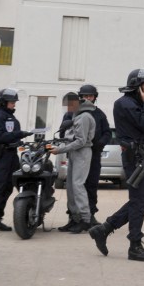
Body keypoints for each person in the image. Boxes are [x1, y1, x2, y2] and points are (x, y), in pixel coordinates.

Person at [89, 69, 144, 262]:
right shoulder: (126, 103)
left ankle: (104, 229)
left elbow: (142, 129)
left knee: (138, 201)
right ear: (137, 86)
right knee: (139, 203)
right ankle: (134, 245)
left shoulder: (133, 103)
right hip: (135, 157)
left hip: (139, 154)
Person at [0, 88, 32, 233]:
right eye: (12, 101)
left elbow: (10, 135)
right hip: (2, 156)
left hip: (11, 155)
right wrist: (20, 134)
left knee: (9, 187)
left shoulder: (8, 116)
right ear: (3, 102)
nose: (14, 104)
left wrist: (19, 141)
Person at [48, 90, 96, 234]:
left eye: (69, 105)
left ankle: (85, 219)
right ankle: (74, 218)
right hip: (74, 152)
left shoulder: (84, 117)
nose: (67, 109)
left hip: (82, 152)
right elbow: (70, 137)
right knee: (70, 186)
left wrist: (60, 150)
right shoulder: (77, 116)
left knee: (78, 185)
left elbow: (81, 141)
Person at [80, 84, 111, 225]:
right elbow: (64, 131)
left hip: (94, 156)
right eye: (85, 96)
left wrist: (100, 143)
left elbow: (107, 133)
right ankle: (74, 218)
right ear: (80, 97)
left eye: (90, 96)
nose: (87, 98)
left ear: (94, 97)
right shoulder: (73, 112)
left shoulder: (99, 114)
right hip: (78, 157)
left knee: (91, 186)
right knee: (76, 187)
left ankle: (90, 215)